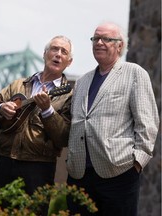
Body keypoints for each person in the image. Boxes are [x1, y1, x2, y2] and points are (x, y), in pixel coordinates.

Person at [66, 21, 159, 216]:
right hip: (79, 175)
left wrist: (137, 161)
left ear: (119, 46)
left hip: (118, 172)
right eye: (95, 38)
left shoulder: (134, 73)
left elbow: (147, 121)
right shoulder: (82, 81)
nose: (99, 42)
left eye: (106, 39)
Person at [0, 35, 73, 214]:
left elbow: (63, 137)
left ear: (69, 62)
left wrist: (48, 110)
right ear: (45, 53)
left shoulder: (68, 95)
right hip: (6, 161)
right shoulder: (17, 85)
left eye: (64, 52)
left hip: (39, 168)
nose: (58, 54)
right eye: (54, 49)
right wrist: (0, 109)